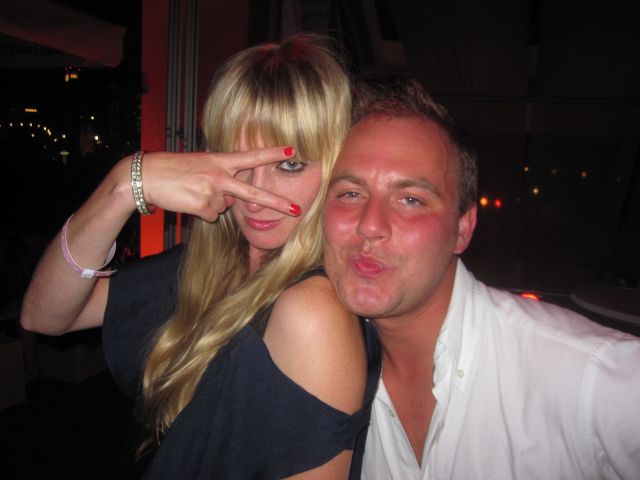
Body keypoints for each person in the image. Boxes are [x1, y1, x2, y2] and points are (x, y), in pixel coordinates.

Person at [20, 33, 381, 479]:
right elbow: (44, 315)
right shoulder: (212, 265)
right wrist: (123, 186)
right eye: (239, 160)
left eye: (289, 165)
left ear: (335, 165)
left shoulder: (312, 312)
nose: (255, 194)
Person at [322, 76, 640, 479]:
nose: (370, 225)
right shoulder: (317, 370)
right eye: (350, 193)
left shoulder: (596, 379)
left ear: (462, 229)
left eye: (410, 200)